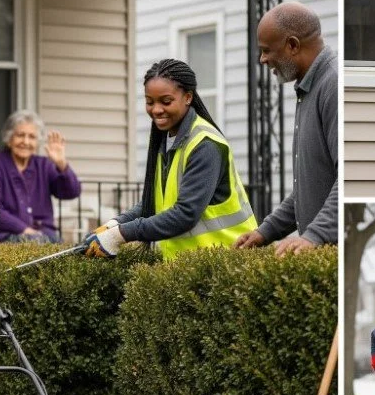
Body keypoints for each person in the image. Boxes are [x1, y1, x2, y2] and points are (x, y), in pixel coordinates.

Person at [84, 58, 256, 259]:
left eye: (166, 101)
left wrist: (120, 235)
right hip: (192, 266)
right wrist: (113, 225)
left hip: (225, 261)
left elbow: (185, 214)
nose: (156, 110)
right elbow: (154, 203)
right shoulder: (168, 140)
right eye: (150, 102)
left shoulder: (205, 145)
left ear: (188, 97)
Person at [233, 2, 337, 256]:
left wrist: (315, 236)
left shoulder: (333, 84)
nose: (263, 59)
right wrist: (264, 232)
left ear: (292, 45)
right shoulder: (309, 88)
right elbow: (311, 186)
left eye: (267, 50)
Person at [0, 110, 81, 243]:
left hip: (45, 235)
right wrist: (25, 229)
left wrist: (61, 163)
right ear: (9, 139)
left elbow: (71, 192)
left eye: (32, 137)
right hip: (8, 236)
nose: (26, 142)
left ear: (37, 142)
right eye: (20, 135)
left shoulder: (44, 165)